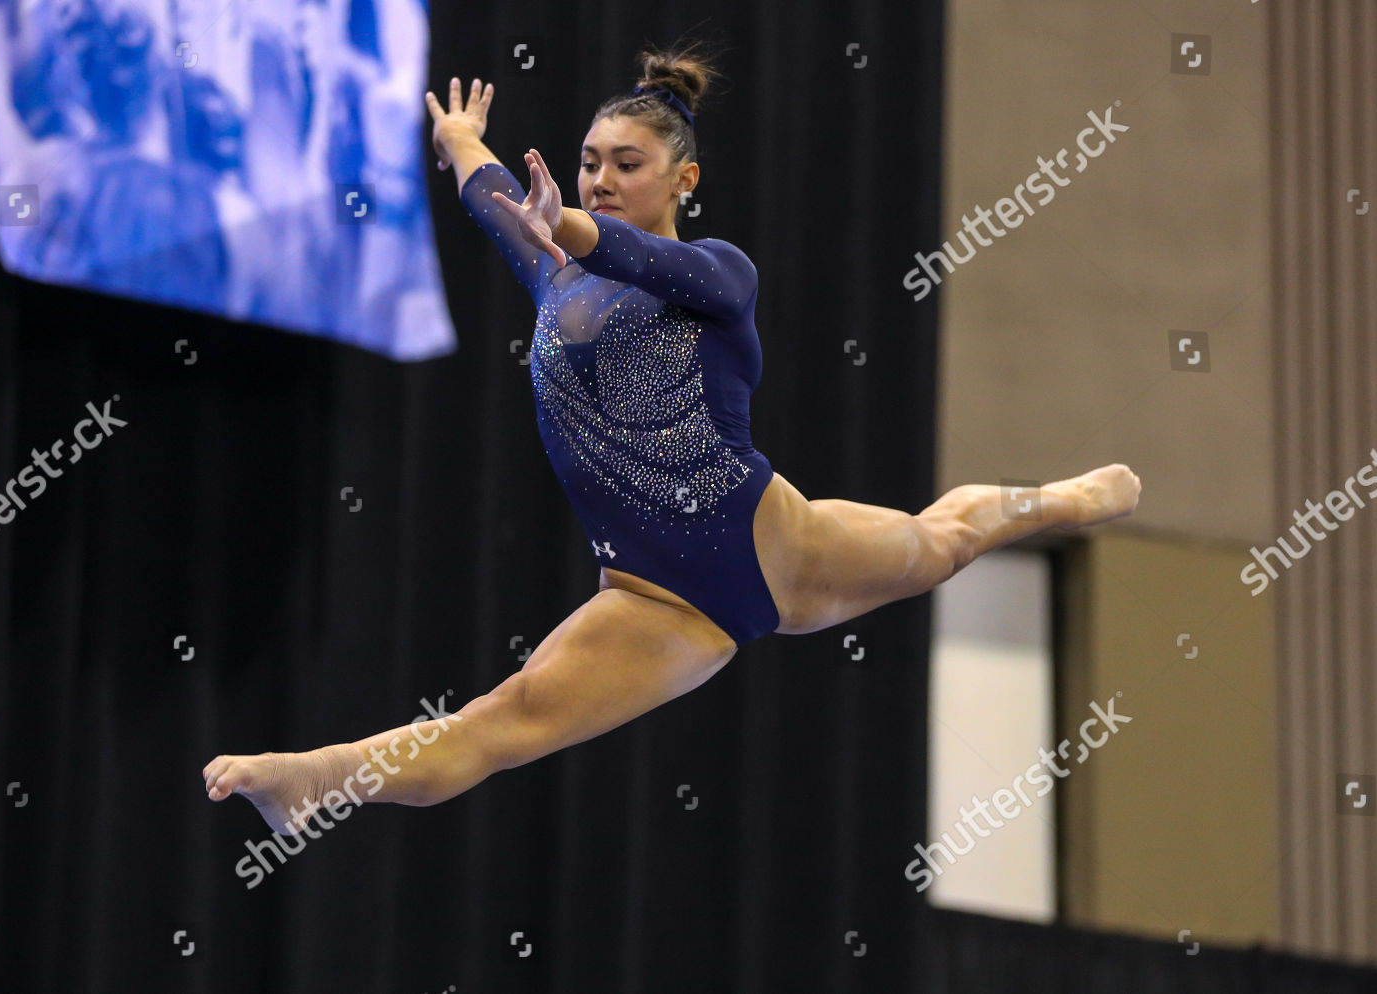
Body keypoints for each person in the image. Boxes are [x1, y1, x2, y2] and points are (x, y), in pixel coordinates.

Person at [203, 43, 1141, 835]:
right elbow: (495, 200)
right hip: (655, 601)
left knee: (942, 541)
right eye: (589, 160)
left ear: (683, 178)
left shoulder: (717, 273)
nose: (602, 179)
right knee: (501, 722)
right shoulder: (555, 280)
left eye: (627, 163)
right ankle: (319, 779)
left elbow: (623, 251)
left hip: (776, 545)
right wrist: (461, 142)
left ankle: (1066, 501)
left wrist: (562, 219)